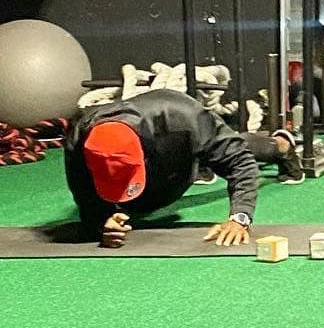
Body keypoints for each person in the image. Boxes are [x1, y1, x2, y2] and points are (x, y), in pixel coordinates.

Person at [64, 88, 262, 249]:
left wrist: (239, 217)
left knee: (240, 147)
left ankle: (281, 146)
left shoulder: (185, 118)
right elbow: (85, 195)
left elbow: (241, 162)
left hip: (177, 161)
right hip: (155, 171)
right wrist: (101, 223)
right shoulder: (79, 137)